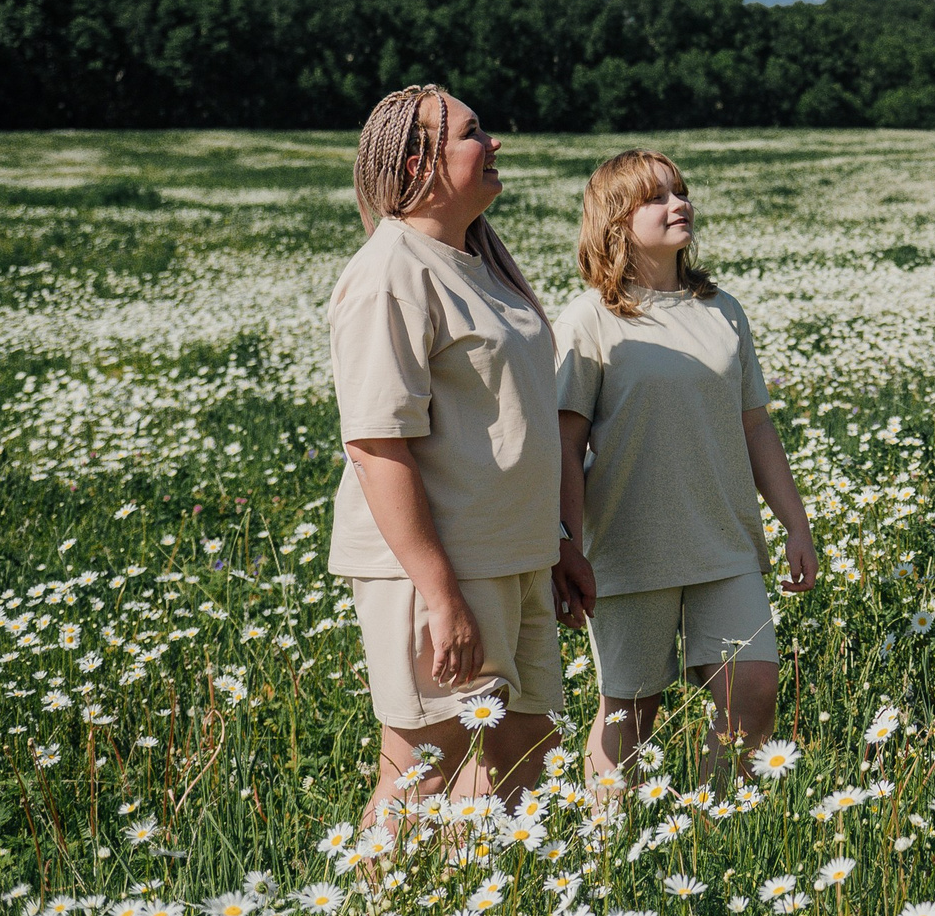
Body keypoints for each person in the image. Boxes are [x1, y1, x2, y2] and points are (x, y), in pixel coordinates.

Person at [328, 85, 567, 824]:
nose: (495, 145)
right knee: (423, 773)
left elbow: (512, 423)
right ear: (420, 163)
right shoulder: (390, 274)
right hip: (440, 572)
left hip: (510, 558)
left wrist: (554, 543)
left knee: (529, 758)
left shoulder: (477, 261)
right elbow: (376, 444)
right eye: (474, 133)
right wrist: (441, 596)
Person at [549, 150, 818, 788]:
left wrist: (796, 524)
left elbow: (755, 424)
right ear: (615, 221)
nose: (679, 206)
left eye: (681, 192)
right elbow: (564, 445)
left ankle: (715, 828)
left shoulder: (723, 310)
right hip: (627, 549)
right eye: (657, 198)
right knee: (631, 713)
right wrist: (565, 546)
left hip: (724, 541)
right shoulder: (589, 320)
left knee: (750, 696)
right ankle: (612, 851)